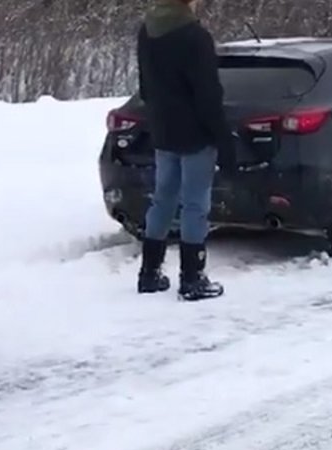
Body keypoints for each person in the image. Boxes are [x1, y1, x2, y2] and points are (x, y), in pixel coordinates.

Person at [135, 0, 231, 301]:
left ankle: (149, 273)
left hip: (163, 130)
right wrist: (223, 137)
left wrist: (157, 118)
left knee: (163, 199)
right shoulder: (195, 37)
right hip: (196, 133)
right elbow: (208, 94)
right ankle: (192, 278)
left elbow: (145, 85)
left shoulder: (146, 31)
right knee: (195, 204)